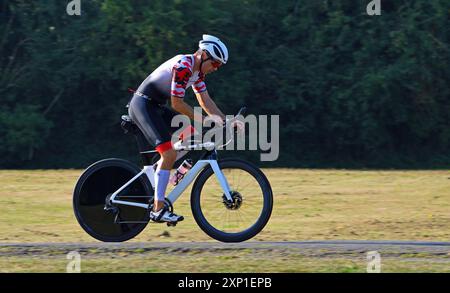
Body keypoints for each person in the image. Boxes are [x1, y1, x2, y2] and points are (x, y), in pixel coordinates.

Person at [128, 34, 231, 223]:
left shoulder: (198, 73)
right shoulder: (184, 66)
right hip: (143, 105)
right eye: (215, 64)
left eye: (219, 67)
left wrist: (224, 121)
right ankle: (158, 210)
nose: (215, 69)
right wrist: (203, 120)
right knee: (169, 154)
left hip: (155, 106)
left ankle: (162, 175)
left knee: (191, 136)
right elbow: (177, 103)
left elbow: (205, 100)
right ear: (204, 55)